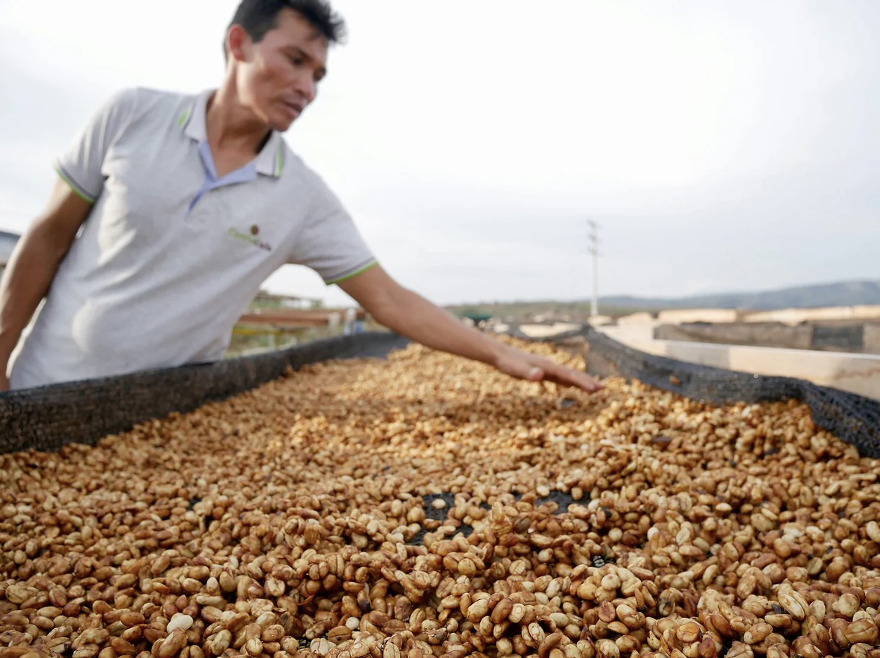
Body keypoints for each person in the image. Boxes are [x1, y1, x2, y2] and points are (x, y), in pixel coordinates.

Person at [0, 0, 601, 395]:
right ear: (238, 44)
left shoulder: (302, 197)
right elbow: (49, 234)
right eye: (294, 60)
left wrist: (501, 355)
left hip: (168, 417)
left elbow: (389, 299)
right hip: (44, 383)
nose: (306, 87)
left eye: (317, 74)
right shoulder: (131, 114)